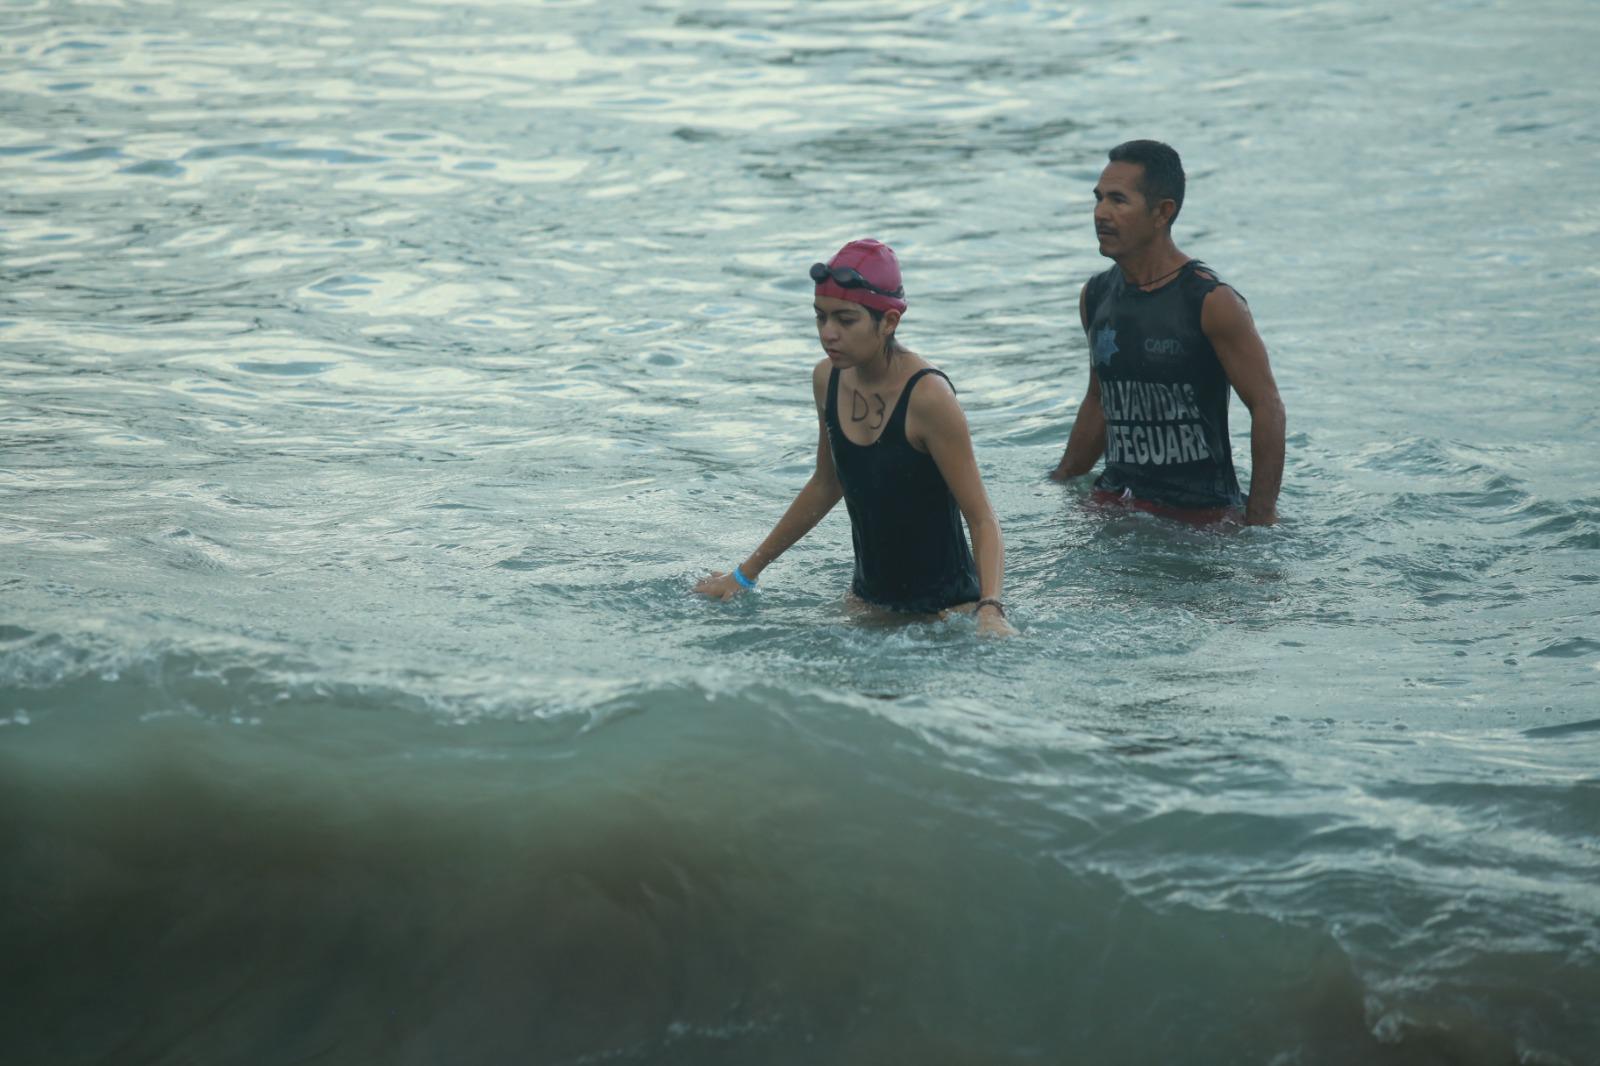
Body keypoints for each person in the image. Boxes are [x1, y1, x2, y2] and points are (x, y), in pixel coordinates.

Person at [695, 239, 1016, 636]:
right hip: (866, 604)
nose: (828, 333)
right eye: (820, 317)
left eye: (845, 321)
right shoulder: (826, 380)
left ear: (889, 321)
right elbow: (826, 483)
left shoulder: (929, 398)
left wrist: (990, 609)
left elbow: (982, 517)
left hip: (946, 615)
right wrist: (744, 575)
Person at [1049, 140, 1286, 525]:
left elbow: (1267, 406)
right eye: (1098, 198)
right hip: (1116, 502)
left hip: (1198, 514)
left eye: (1118, 200)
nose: (1100, 213)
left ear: (1162, 212)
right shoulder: (1096, 295)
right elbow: (1099, 399)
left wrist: (1259, 519)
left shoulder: (1211, 302)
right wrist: (1061, 481)